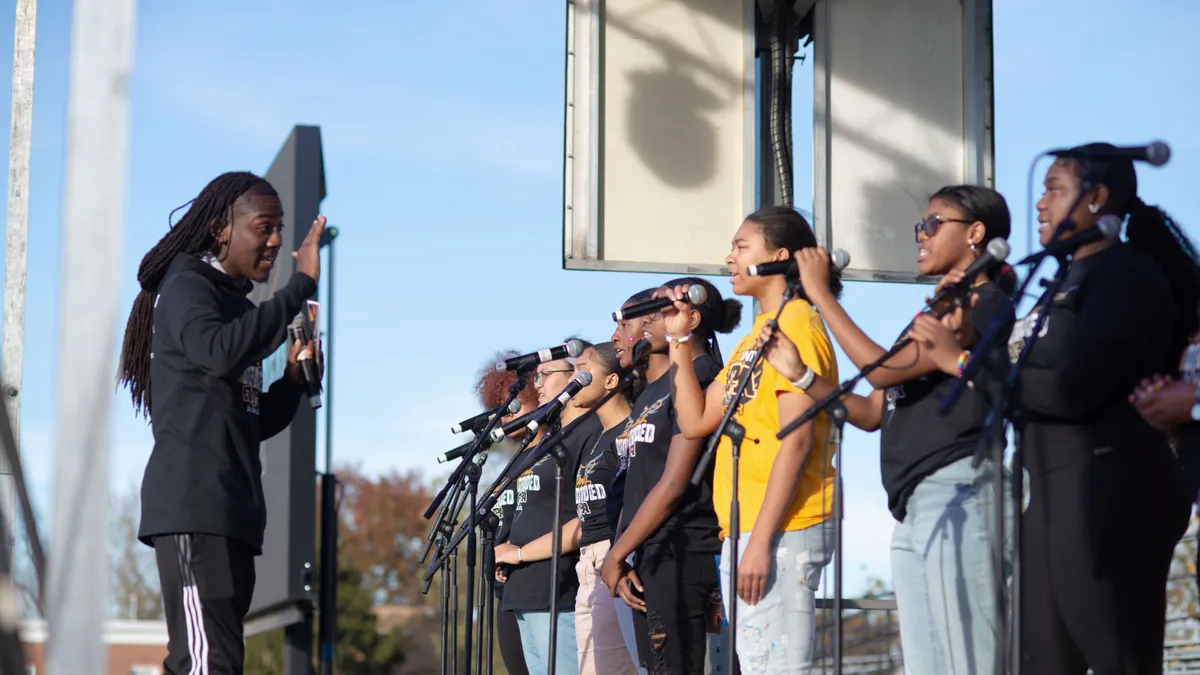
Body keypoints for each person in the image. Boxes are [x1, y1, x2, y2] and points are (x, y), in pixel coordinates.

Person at [749, 190, 1019, 674]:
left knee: (969, 660)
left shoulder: (985, 301)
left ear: (975, 233)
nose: (921, 235)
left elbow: (879, 373)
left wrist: (822, 296)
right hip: (915, 503)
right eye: (921, 225)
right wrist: (802, 377)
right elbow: (872, 410)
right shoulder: (935, 313)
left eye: (933, 223)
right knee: (927, 664)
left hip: (958, 488)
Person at [117, 172, 325, 674]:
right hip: (194, 507)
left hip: (231, 515)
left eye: (280, 228)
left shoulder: (237, 305)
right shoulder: (187, 286)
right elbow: (219, 351)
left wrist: (293, 381)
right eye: (264, 226)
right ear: (221, 230)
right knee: (206, 664)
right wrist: (300, 286)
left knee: (209, 661)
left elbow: (249, 418)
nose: (276, 240)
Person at [1003, 144, 1192, 673]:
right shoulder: (1060, 281)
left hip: (1110, 489)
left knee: (1118, 658)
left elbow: (1073, 388)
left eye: (1055, 189)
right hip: (1051, 492)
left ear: (1097, 199)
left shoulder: (1124, 275)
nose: (1039, 205)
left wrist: (983, 366)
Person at [661, 208, 839, 674]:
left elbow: (796, 442)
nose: (729, 257)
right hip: (744, 528)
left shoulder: (798, 324)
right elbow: (696, 419)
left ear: (779, 257)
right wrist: (679, 341)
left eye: (742, 247)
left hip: (783, 526)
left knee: (775, 666)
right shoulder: (751, 342)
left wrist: (760, 542)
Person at [600, 278, 742, 675]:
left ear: (690, 318)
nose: (644, 323)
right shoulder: (653, 390)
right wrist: (626, 551)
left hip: (686, 549)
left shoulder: (701, 376)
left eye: (659, 313)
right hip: (650, 550)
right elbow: (636, 481)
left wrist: (616, 554)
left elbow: (675, 481)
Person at [498, 347, 602, 675]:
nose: (538, 384)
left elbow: (587, 518)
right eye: (536, 376)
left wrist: (519, 554)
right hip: (524, 589)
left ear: (576, 375)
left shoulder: (591, 432)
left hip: (556, 588)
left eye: (546, 375)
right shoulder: (549, 438)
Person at [477, 351, 542, 675]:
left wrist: (516, 553)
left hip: (543, 592)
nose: (505, 417)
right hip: (507, 594)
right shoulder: (513, 463)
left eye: (514, 406)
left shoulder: (552, 455)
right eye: (499, 409)